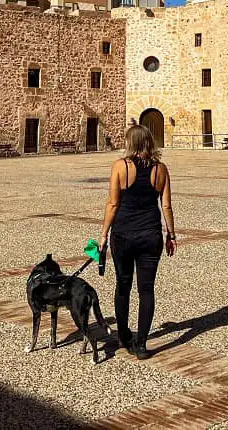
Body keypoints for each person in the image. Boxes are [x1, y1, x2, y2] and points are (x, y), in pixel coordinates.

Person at [98, 125, 176, 360]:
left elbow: (112, 204)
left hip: (122, 234)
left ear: (130, 142)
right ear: (149, 142)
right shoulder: (160, 170)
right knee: (146, 289)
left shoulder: (120, 166)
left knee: (123, 285)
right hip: (151, 236)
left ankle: (124, 335)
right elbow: (166, 206)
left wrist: (103, 235)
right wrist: (171, 235)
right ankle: (141, 344)